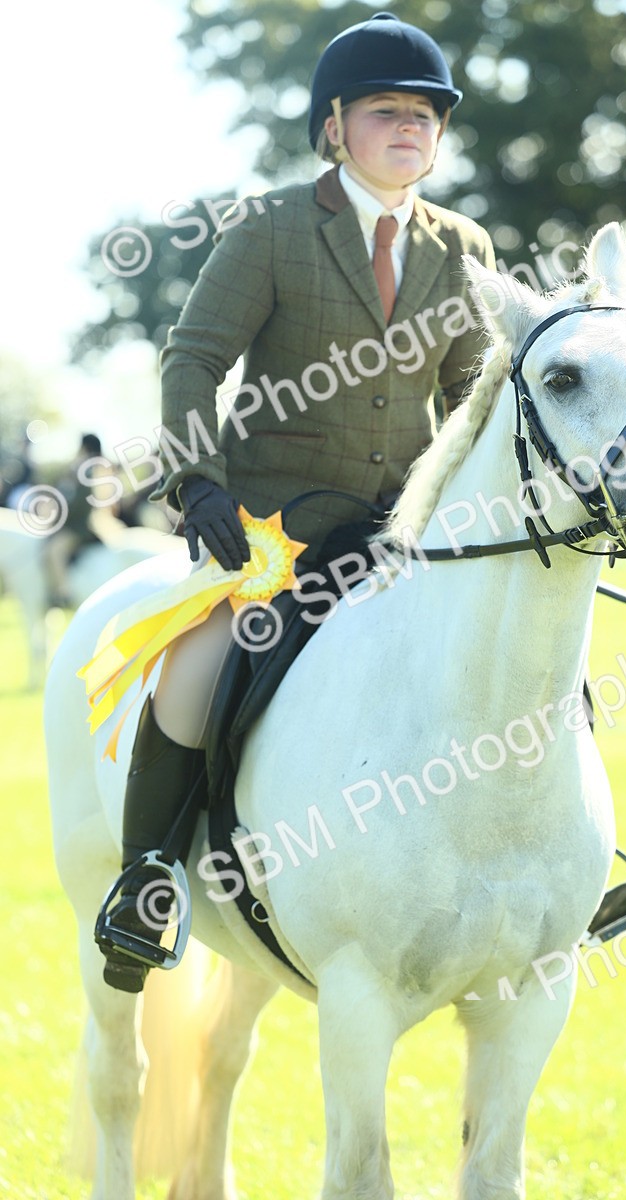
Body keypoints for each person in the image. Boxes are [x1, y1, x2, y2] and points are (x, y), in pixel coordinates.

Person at [96, 11, 497, 992]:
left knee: (526, 654)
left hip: (401, 535)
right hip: (271, 529)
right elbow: (193, 357)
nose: (411, 129)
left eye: (424, 116)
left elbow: (472, 397)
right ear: (333, 127)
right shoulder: (272, 228)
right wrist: (197, 483)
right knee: (196, 667)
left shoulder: (463, 245)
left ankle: (563, 876)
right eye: (386, 112)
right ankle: (147, 877)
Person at [43, 433, 103, 607]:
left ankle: (64, 593)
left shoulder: (89, 471)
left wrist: (60, 514)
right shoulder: (76, 469)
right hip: (67, 524)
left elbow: (80, 503)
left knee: (54, 551)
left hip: (77, 527)